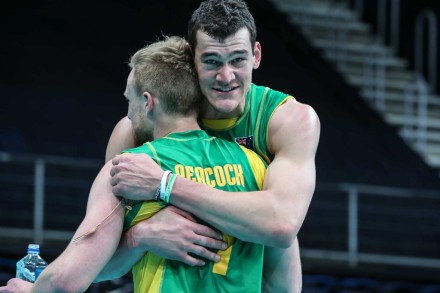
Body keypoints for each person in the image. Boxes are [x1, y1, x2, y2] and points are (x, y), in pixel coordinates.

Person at [0, 36, 268, 293]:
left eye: (129, 99)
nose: (128, 112)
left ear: (148, 102)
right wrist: (141, 236)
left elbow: (68, 281)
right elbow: (285, 284)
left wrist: (34, 290)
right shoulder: (256, 165)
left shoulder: (131, 170)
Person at [105, 0, 320, 292]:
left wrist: (165, 185)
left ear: (256, 56)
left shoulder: (286, 121)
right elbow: (100, 266)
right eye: (212, 61)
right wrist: (141, 236)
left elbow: (281, 225)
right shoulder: (138, 130)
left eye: (238, 60)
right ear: (192, 59)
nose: (226, 76)